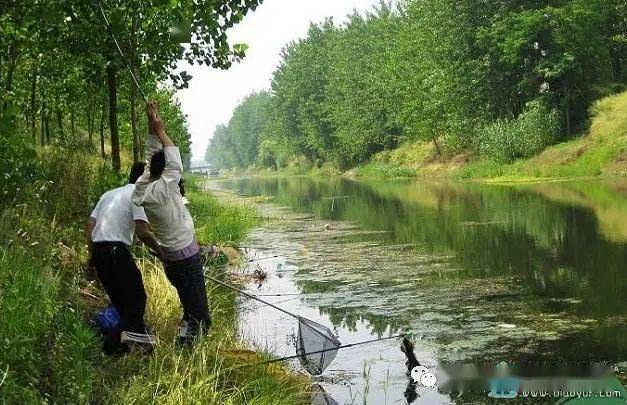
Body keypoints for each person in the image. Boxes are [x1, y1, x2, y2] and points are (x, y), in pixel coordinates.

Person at [132, 102, 211, 344]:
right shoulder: (163, 189)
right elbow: (175, 163)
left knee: (190, 311)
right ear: (165, 172)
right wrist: (162, 130)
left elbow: (151, 155)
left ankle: (183, 345)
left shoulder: (144, 185)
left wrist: (152, 124)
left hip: (173, 260)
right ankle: (185, 351)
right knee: (201, 319)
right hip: (186, 260)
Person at [87, 163, 162, 354]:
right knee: (137, 300)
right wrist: (161, 251)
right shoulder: (138, 195)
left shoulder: (109, 194)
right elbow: (143, 232)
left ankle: (134, 348)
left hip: (100, 251)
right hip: (115, 252)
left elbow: (90, 226)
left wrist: (92, 257)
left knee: (122, 304)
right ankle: (110, 346)